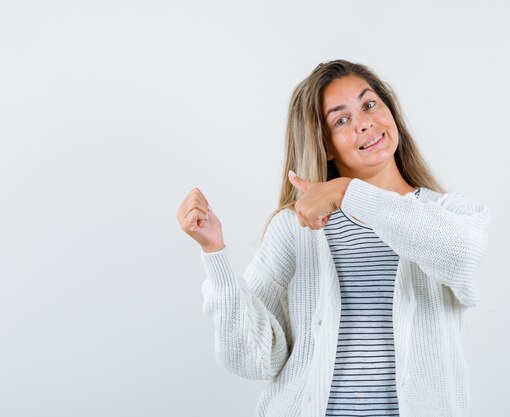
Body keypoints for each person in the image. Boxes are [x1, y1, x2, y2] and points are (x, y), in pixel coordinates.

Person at [176, 59, 491, 417]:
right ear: (325, 146)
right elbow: (255, 360)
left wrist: (347, 192)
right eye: (341, 120)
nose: (364, 123)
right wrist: (214, 252)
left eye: (369, 104)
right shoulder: (294, 229)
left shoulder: (448, 214)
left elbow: (462, 254)